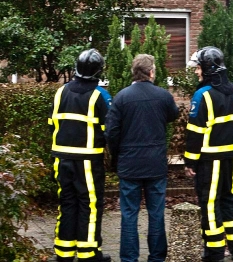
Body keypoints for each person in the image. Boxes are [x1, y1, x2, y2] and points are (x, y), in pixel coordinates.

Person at [105, 54, 179, 262]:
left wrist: (117, 156)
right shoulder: (163, 96)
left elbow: (111, 132)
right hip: (155, 164)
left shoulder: (121, 97)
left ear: (134, 72)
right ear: (151, 72)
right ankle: (157, 258)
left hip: (129, 164)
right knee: (156, 213)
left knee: (129, 214)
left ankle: (129, 258)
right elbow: (173, 115)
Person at [184, 47, 233, 262]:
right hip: (229, 158)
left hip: (208, 161)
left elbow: (195, 132)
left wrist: (190, 160)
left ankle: (215, 253)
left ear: (208, 70)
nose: (196, 72)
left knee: (210, 204)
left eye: (199, 68)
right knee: (229, 199)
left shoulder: (203, 95)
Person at [48, 48, 112, 262]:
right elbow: (108, 131)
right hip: (88, 160)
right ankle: (88, 254)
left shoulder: (60, 92)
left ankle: (64, 253)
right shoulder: (100, 96)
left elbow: (52, 125)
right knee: (89, 204)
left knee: (66, 202)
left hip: (61, 158)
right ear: (98, 72)